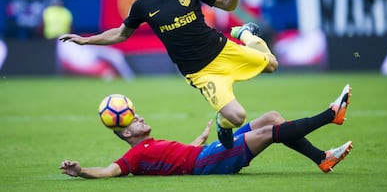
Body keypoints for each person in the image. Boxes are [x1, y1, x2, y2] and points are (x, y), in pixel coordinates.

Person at [59, 0, 278, 149]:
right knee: (238, 117)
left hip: (222, 49)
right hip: (200, 71)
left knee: (272, 65)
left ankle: (245, 34)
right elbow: (121, 33)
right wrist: (86, 41)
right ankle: (223, 123)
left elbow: (227, 5)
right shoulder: (143, 5)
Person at [60, 84, 353, 177]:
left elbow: (170, 160)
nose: (140, 117)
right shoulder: (135, 156)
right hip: (207, 162)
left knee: (272, 117)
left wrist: (195, 142)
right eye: (134, 120)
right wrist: (81, 170)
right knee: (269, 132)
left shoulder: (148, 147)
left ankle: (321, 158)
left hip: (203, 153)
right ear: (125, 133)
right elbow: (110, 171)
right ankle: (330, 115)